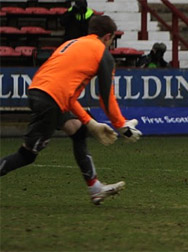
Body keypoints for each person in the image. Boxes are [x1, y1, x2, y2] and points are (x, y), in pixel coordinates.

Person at [0, 15, 143, 205]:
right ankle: (95, 188)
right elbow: (106, 99)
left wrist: (89, 122)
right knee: (27, 155)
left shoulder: (73, 43)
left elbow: (66, 94)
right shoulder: (102, 53)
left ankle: (95, 188)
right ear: (108, 36)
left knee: (77, 130)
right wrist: (121, 125)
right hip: (50, 100)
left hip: (40, 92)